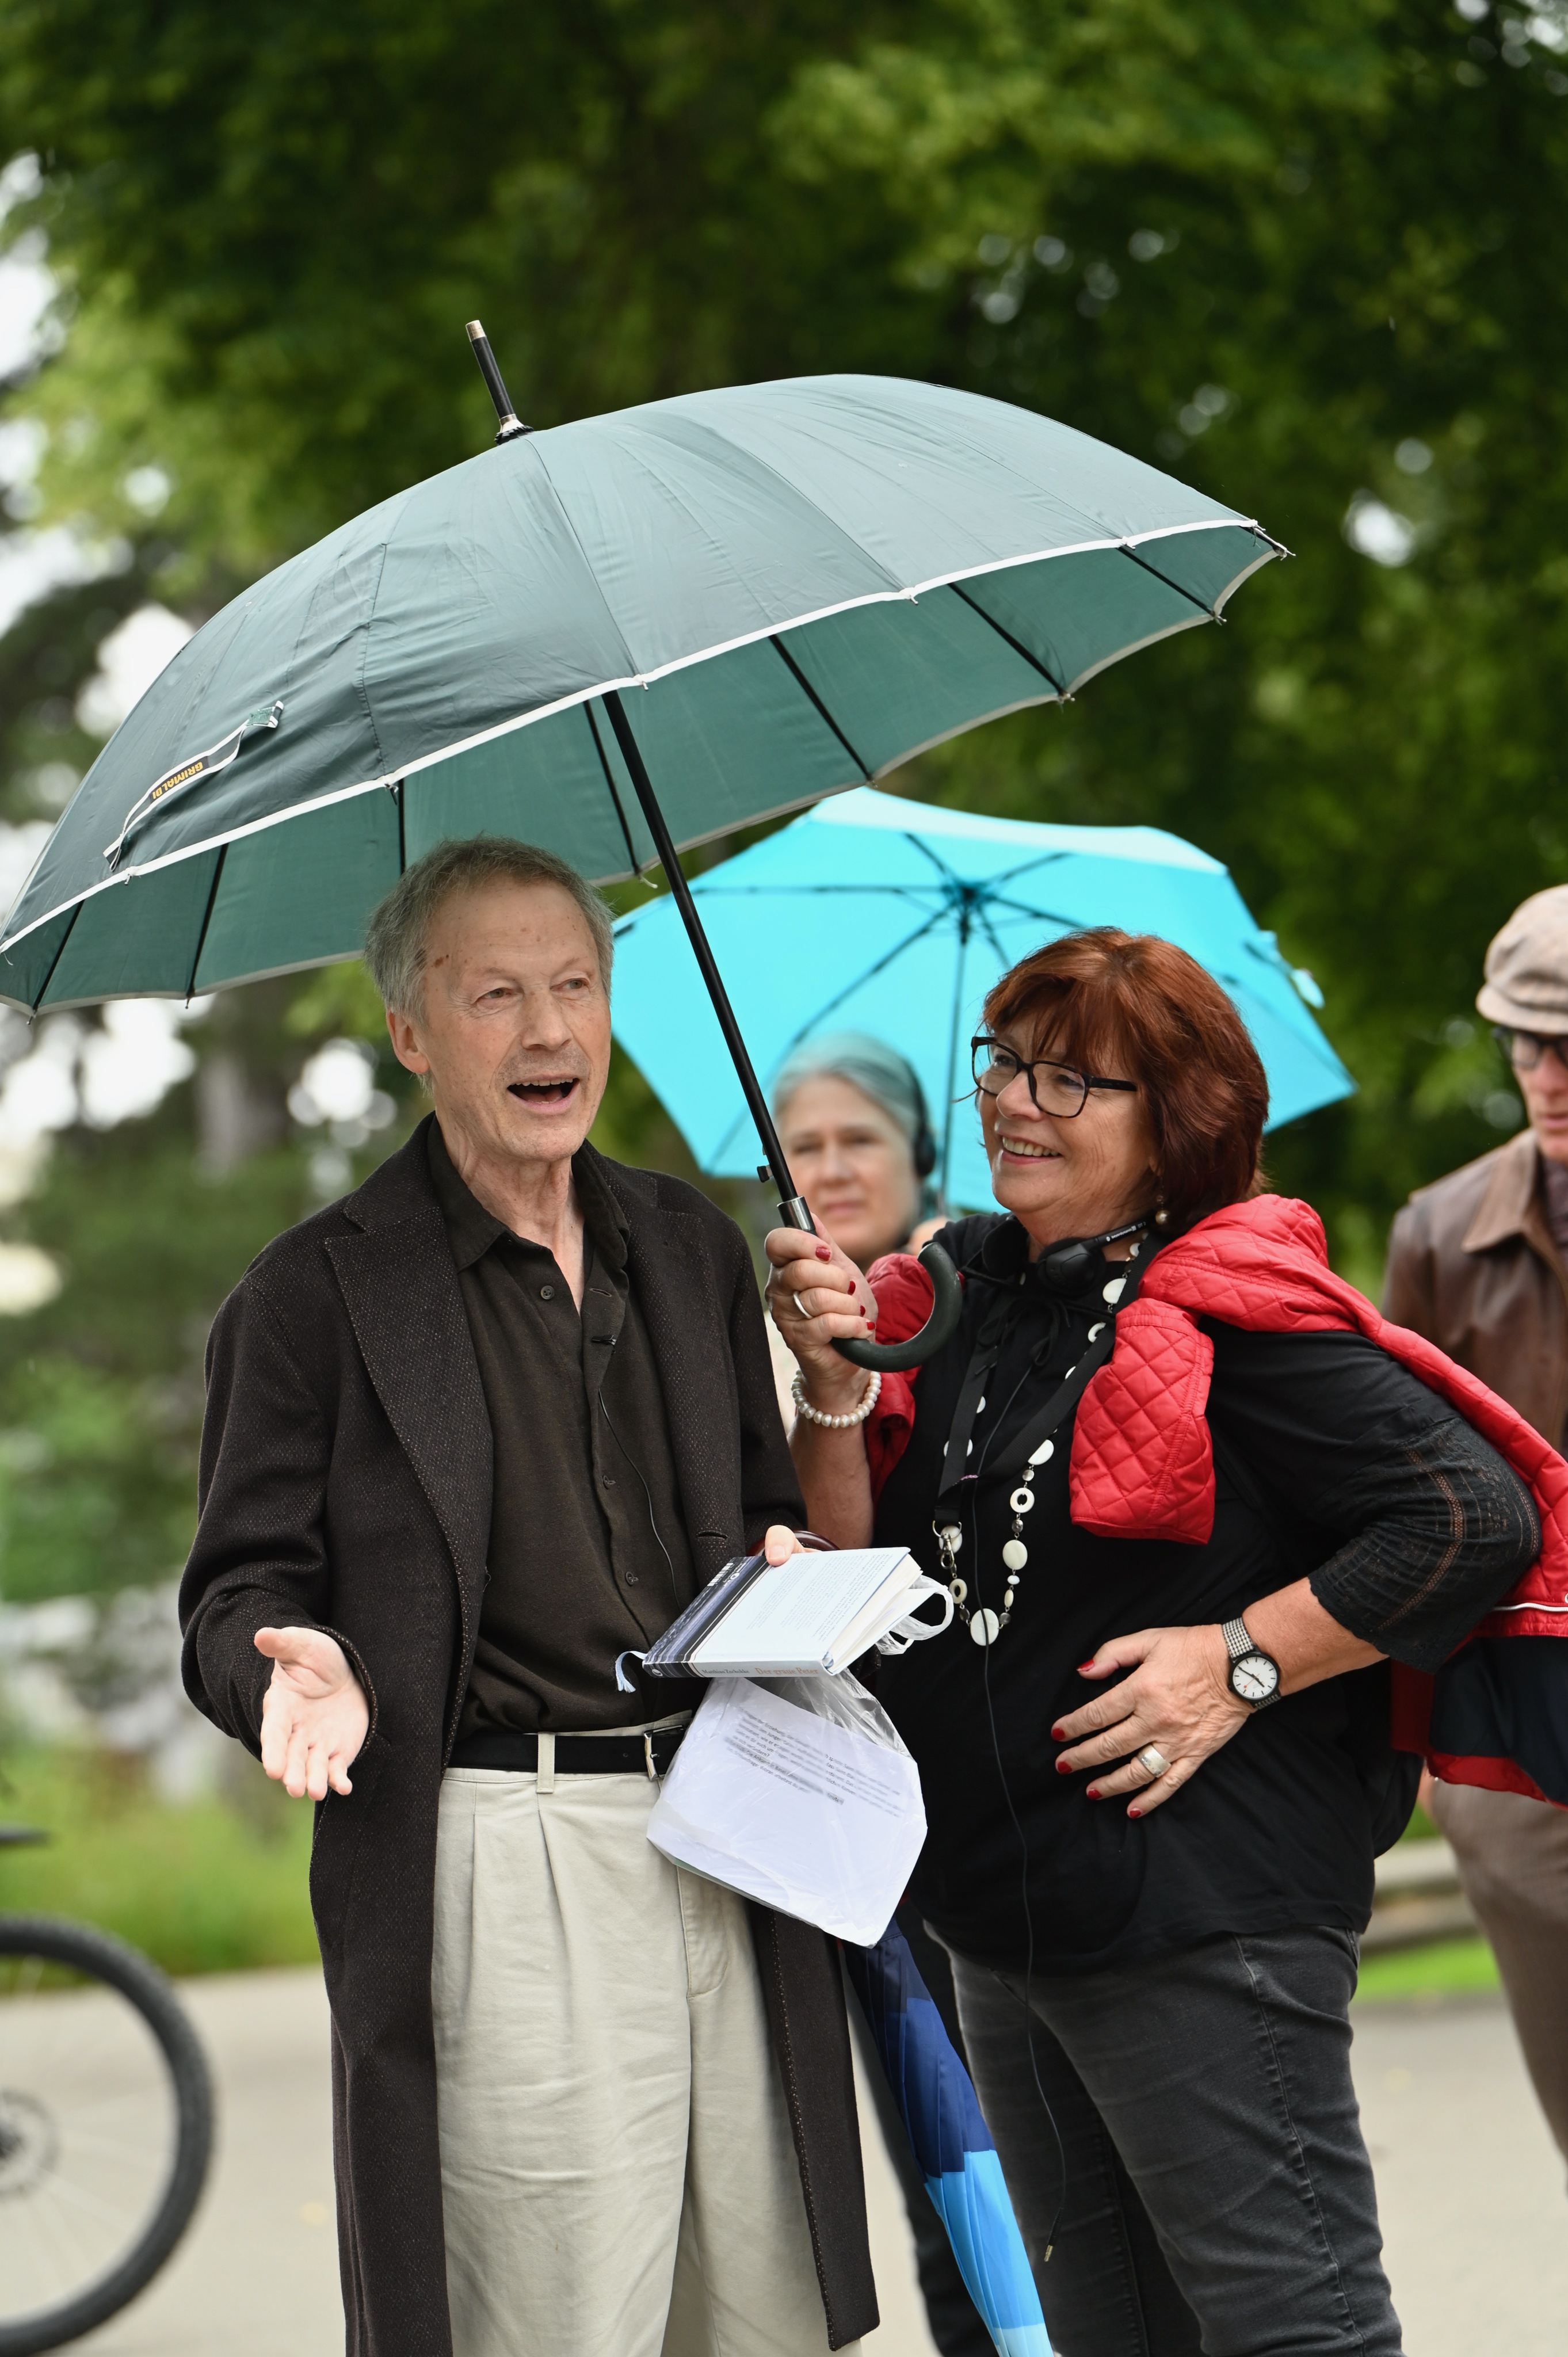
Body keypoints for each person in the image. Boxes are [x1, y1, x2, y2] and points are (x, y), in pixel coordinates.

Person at [766, 925, 1558, 2357]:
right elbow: (864, 1563)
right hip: (1001, 1922)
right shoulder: (959, 1293)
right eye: (1004, 1062)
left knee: (1296, 2332)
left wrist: (1239, 1659)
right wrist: (834, 1382)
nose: (1015, 1101)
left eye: (1072, 1079)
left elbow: (1468, 1515)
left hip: (1200, 1919)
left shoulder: (1230, 1306)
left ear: (1175, 1123)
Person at [178, 837, 877, 2357]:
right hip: (501, 1842)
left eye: (574, 984)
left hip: (728, 1819)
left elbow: (773, 1522)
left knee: (759, 2313)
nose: (549, 1028)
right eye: (495, 993)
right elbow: (234, 1592)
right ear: (411, 1032)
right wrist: (286, 1670)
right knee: (551, 2322)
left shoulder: (689, 1247)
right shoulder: (309, 1293)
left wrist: (815, 1443)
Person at [771, 1032, 993, 2357]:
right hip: (859, 1793)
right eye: (805, 1144)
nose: (835, 1165)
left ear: (917, 1149)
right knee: (941, 2156)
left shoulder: (986, 1283)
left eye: (859, 1136)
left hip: (1000, 1766)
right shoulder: (760, 1330)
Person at [1384, 881, 1568, 2179]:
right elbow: (1395, 1485)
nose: (1547, 1075)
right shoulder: (1439, 1232)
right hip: (1522, 1712)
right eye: (1523, 1042)